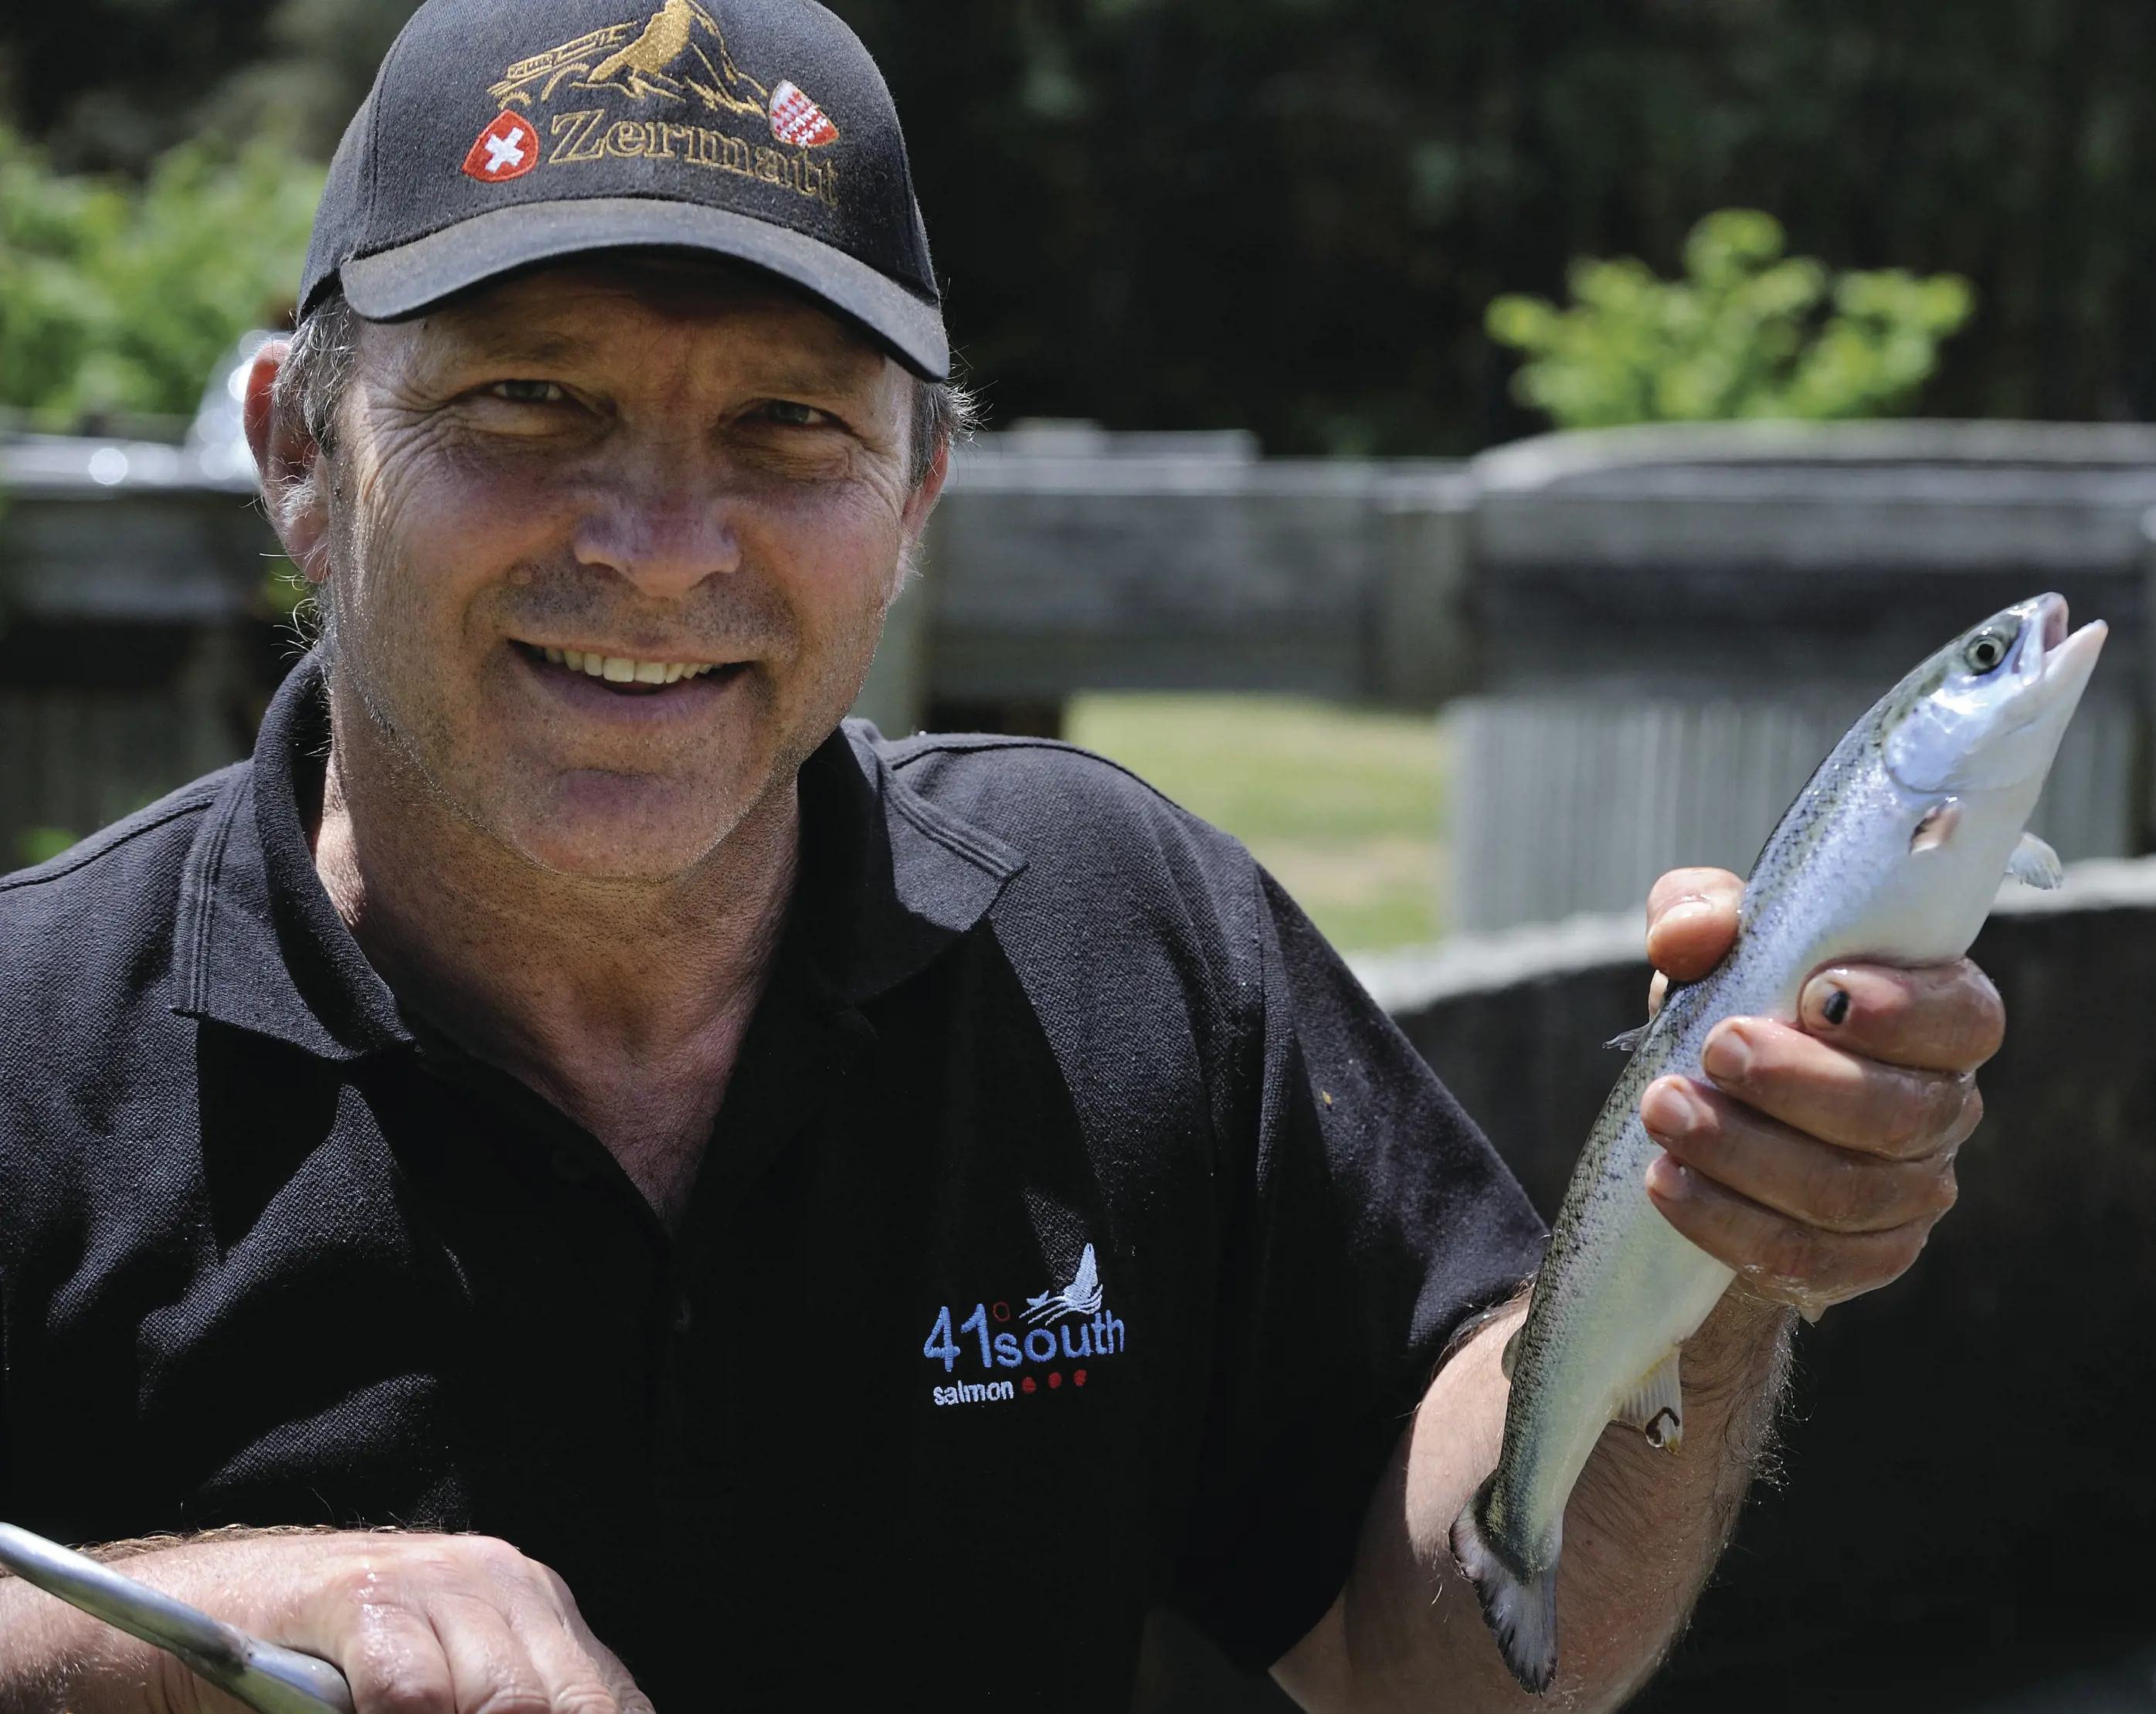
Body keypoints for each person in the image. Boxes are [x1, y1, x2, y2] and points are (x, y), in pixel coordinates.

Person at [0, 0, 2002, 1707]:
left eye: (790, 428)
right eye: (529, 400)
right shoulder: (33, 1050)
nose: (658, 542)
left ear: (918, 488)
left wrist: (1708, 1254)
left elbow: (1437, 1663)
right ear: (294, 448)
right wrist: (206, 1625)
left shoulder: (1117, 936)